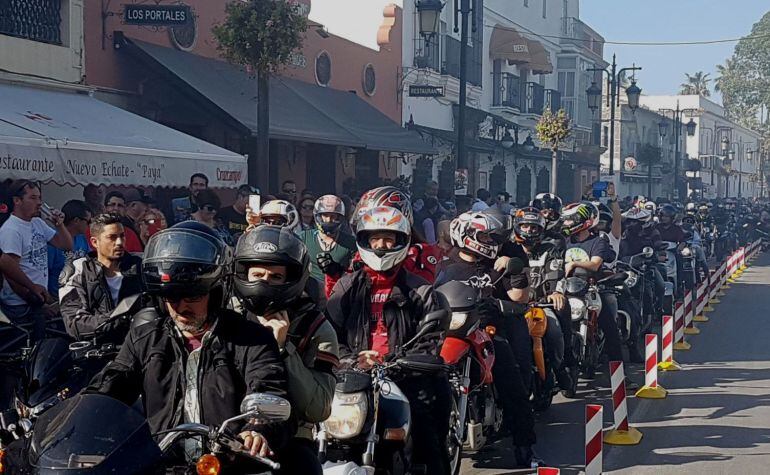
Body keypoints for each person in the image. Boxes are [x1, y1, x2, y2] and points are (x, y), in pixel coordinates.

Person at [87, 221, 292, 464]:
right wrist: (79, 414)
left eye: (193, 296)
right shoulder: (145, 338)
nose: (181, 307)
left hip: (229, 464)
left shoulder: (251, 338)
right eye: (171, 296)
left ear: (215, 292)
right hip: (161, 463)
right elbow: (112, 385)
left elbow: (267, 387)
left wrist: (256, 430)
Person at [325, 206, 452, 475]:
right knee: (316, 435)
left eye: (388, 239)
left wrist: (395, 361)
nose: (381, 246)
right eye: (375, 239)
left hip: (405, 377)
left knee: (428, 440)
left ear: (401, 242)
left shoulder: (420, 290)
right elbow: (329, 333)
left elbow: (430, 341)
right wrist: (353, 360)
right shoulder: (345, 288)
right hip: (352, 379)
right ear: (364, 241)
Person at [435, 208, 542, 467]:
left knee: (513, 383)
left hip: (487, 332)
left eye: (493, 239)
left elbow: (519, 298)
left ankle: (524, 446)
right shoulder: (443, 266)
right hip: (447, 332)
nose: (492, 243)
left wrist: (513, 274)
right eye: (486, 238)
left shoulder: (496, 267)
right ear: (467, 235)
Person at [233, 225, 339, 475]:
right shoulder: (230, 317)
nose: (264, 283)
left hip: (291, 435)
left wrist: (283, 348)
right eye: (257, 274)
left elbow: (318, 408)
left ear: (292, 279)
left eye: (275, 277)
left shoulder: (316, 328)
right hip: (226, 429)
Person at [511, 207, 577, 397]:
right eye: (525, 226)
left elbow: (556, 273)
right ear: (517, 227)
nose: (529, 231)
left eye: (534, 227)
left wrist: (555, 292)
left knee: (555, 330)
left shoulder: (550, 249)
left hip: (540, 305)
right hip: (514, 307)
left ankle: (560, 368)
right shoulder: (509, 251)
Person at [0, 180, 73, 340]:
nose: (39, 203)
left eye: (39, 197)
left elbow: (66, 245)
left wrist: (59, 225)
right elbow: (9, 274)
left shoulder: (37, 223)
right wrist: (35, 299)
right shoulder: (11, 230)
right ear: (17, 201)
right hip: (20, 304)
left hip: (37, 299)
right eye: (33, 198)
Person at [59, 214, 143, 341]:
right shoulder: (78, 270)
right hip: (98, 346)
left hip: (139, 342)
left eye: (122, 236)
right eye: (112, 237)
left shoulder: (139, 265)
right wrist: (117, 318)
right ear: (94, 242)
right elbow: (75, 323)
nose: (119, 242)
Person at [561, 202, 623, 364]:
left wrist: (573, 264)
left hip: (591, 289)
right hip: (565, 289)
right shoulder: (564, 241)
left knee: (610, 327)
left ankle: (618, 370)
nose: (566, 223)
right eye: (565, 220)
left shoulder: (598, 242)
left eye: (570, 220)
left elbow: (595, 264)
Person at [301, 195, 356, 289]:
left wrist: (338, 270)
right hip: (309, 290)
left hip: (339, 289)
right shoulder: (304, 237)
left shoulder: (350, 242)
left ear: (340, 218)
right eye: (325, 215)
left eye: (333, 216)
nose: (329, 220)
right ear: (318, 216)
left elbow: (355, 273)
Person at [47, 200, 92, 298]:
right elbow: (45, 272)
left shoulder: (82, 239)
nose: (90, 225)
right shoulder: (53, 239)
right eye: (88, 222)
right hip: (57, 298)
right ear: (76, 221)